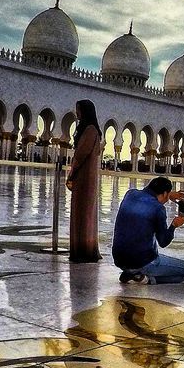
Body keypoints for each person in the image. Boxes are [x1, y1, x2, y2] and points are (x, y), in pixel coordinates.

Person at [111, 175, 184, 284]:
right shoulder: (158, 208)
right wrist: (174, 225)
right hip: (142, 262)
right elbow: (163, 242)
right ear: (164, 193)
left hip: (119, 259)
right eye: (167, 195)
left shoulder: (130, 194)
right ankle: (146, 279)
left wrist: (169, 195)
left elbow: (149, 193)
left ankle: (132, 274)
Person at [65, 99, 102, 263]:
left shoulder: (90, 130)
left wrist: (72, 174)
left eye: (78, 110)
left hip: (84, 179)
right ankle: (84, 249)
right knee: (84, 214)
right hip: (86, 179)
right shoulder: (92, 130)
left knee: (84, 214)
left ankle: (84, 251)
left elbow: (80, 155)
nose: (77, 113)